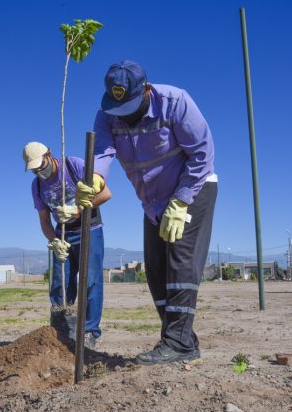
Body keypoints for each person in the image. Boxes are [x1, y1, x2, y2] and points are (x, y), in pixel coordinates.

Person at [79, 60, 217, 365]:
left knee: (180, 261)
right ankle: (183, 340)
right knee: (155, 271)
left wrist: (181, 201)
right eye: (118, 108)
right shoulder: (107, 116)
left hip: (192, 188)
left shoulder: (175, 102)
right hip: (153, 202)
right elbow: (102, 152)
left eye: (129, 106)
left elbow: (203, 153)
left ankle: (178, 344)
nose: (123, 116)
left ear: (146, 91)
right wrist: (96, 179)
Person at [23, 141, 112, 350]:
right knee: (59, 283)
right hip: (63, 234)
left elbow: (106, 194)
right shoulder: (37, 186)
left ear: (49, 155)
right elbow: (45, 221)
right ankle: (62, 331)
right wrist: (54, 240)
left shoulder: (73, 166)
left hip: (90, 230)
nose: (39, 172)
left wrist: (78, 210)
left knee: (91, 282)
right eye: (34, 170)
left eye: (40, 166)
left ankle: (90, 333)